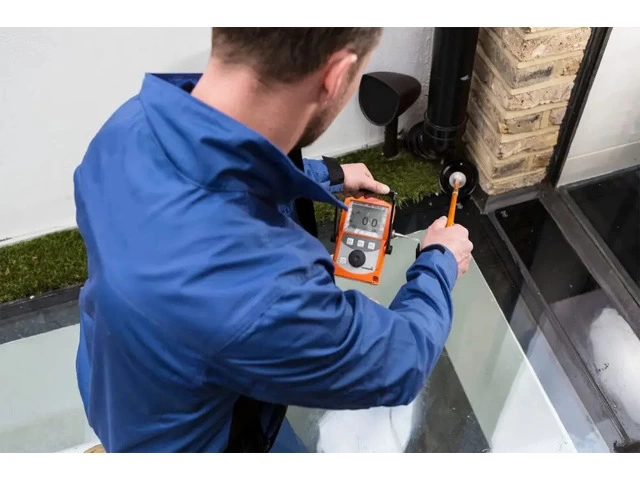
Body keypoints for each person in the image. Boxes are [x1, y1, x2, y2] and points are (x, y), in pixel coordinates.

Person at [73, 27, 473, 453]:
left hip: (119, 387)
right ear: (336, 74)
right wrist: (439, 260)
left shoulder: (127, 128)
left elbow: (218, 167)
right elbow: (401, 363)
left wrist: (326, 175)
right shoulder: (267, 287)